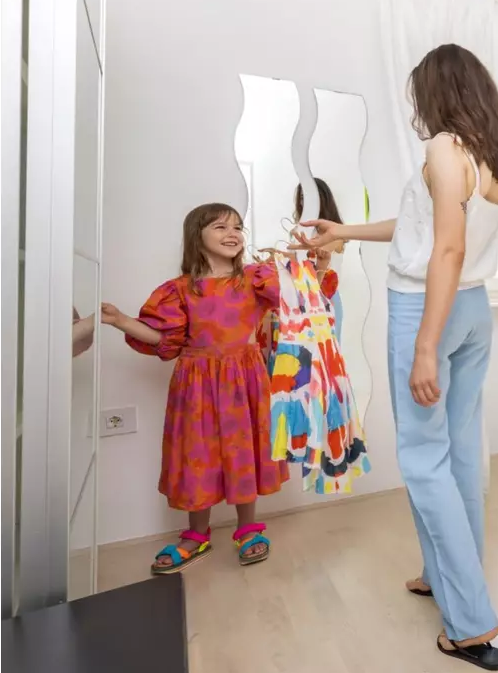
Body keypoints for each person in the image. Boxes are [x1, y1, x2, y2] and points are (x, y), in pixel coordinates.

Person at [292, 43, 498, 671]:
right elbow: (425, 228)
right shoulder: (495, 155)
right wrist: (345, 231)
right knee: (458, 453)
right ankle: (445, 576)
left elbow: (446, 250)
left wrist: (424, 347)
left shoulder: (444, 146)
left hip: (429, 310)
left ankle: (469, 622)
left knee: (423, 457)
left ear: (437, 91)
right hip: (473, 311)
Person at [101, 202, 338, 574]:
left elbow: (301, 305)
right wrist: (120, 320)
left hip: (245, 379)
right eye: (220, 227)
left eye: (237, 227)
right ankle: (197, 534)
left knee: (244, 448)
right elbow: (164, 340)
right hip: (195, 383)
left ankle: (247, 528)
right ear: (197, 236)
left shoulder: (255, 278)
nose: (232, 234)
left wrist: (320, 268)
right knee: (197, 452)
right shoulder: (179, 290)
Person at [292, 178, 345, 341]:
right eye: (302, 197)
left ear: (322, 198)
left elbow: (328, 248)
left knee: (329, 351)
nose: (304, 202)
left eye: (309, 197)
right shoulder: (297, 231)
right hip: (301, 297)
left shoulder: (336, 232)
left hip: (327, 296)